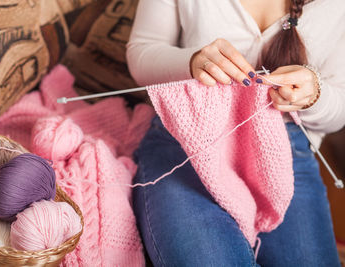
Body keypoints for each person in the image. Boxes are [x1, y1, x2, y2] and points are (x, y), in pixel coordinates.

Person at [126, 0, 345, 266]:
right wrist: (192, 61)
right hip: (187, 143)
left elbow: (338, 112)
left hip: (288, 155)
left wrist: (315, 96)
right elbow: (141, 53)